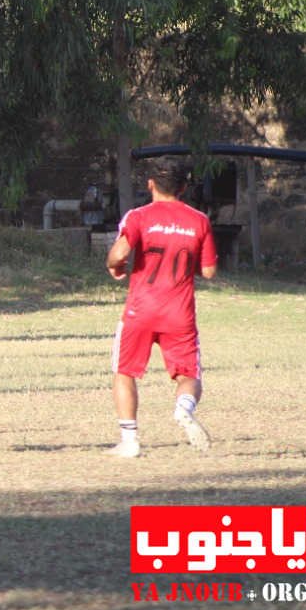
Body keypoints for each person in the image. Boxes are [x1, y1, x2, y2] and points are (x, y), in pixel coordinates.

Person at [104, 158, 218, 458]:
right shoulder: (199, 220)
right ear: (183, 188)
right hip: (179, 313)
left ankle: (129, 441)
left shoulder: (139, 216)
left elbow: (119, 253)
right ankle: (183, 408)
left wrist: (114, 265)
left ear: (150, 184)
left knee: (124, 372)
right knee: (188, 374)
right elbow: (208, 271)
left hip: (140, 310)